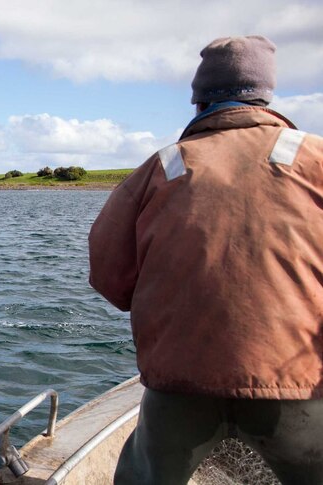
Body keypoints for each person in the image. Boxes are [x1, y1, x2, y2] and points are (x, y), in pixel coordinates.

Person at [88, 35, 323, 484]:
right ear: (266, 95)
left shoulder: (163, 167)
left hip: (179, 386)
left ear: (198, 100)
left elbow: (109, 276)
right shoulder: (314, 158)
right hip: (294, 382)